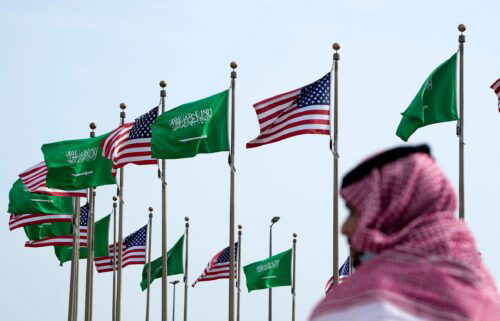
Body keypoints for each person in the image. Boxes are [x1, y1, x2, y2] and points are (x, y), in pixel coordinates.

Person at [310, 145, 500, 321]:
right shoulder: (486, 298)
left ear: (390, 214)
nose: (345, 228)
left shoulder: (363, 306)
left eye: (353, 212)